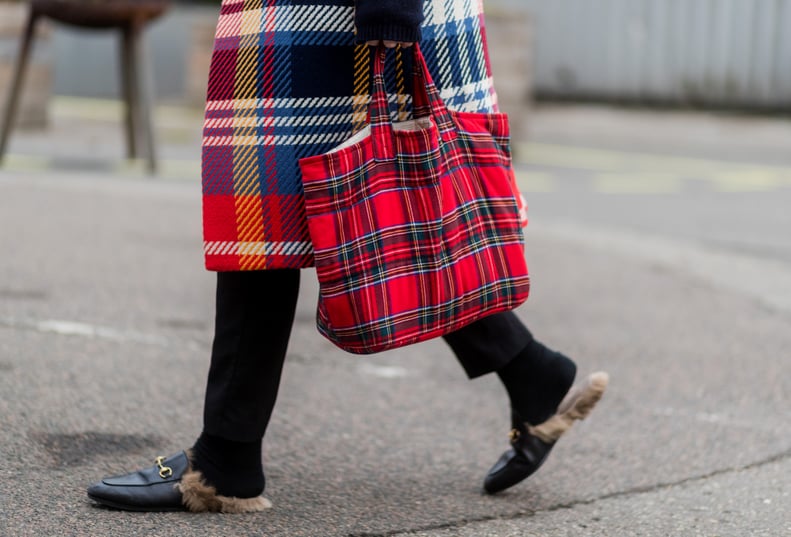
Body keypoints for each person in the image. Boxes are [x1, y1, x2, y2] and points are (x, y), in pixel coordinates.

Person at [86, 0, 608, 513]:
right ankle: (530, 370)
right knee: (325, 220)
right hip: (320, 15)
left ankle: (226, 458)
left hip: (345, 15)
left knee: (281, 221)